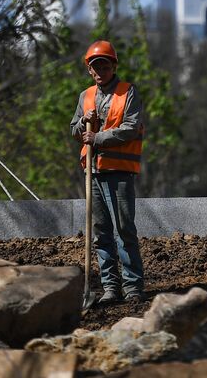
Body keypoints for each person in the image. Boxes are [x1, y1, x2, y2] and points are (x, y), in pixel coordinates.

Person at [70, 39, 146, 305]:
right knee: (101, 232)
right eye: (95, 67)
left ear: (113, 66)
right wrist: (82, 122)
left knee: (124, 229)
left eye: (104, 66)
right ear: (90, 71)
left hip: (119, 172)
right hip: (93, 172)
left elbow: (131, 128)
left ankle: (133, 287)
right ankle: (110, 288)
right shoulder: (85, 96)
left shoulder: (128, 92)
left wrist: (98, 137)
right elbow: (74, 130)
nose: (100, 71)